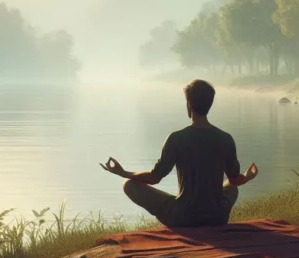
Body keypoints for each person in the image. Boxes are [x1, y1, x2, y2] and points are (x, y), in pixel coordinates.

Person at [100, 80, 257, 228]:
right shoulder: (225, 139)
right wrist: (247, 176)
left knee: (129, 185)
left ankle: (177, 218)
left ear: (189, 104)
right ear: (210, 104)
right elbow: (235, 180)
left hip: (183, 218)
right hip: (217, 217)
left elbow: (154, 178)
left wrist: (123, 173)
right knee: (231, 187)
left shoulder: (176, 138)